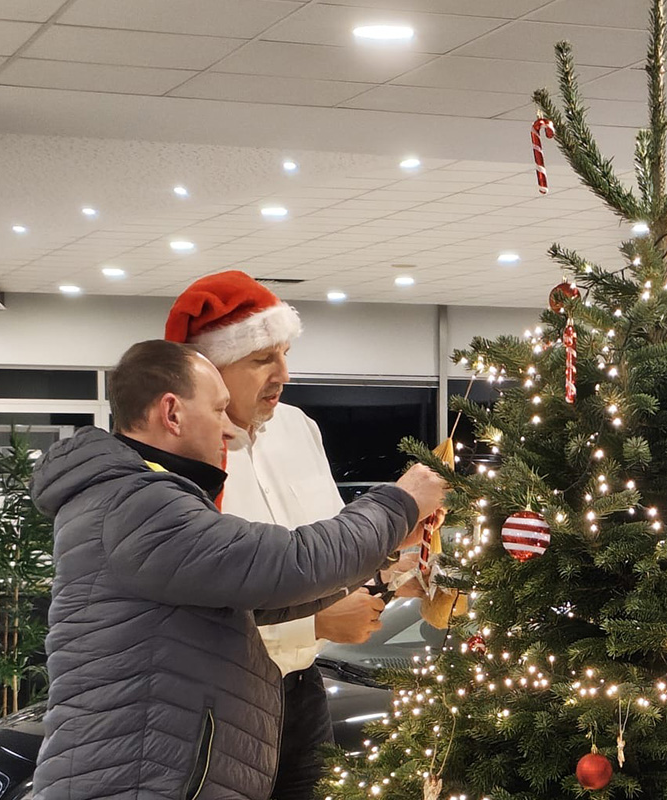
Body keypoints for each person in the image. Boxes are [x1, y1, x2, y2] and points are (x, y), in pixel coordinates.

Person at [31, 340, 447, 800]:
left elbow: (260, 597)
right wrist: (401, 501)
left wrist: (387, 551)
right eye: (218, 410)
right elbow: (292, 563)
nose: (229, 431)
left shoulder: (137, 499)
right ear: (172, 414)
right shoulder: (141, 506)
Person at [164, 270, 432, 799]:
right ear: (208, 369)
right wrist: (313, 624)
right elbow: (193, 612)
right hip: (220, 700)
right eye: (262, 358)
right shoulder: (179, 461)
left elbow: (331, 548)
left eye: (284, 352)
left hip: (304, 694)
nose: (283, 372)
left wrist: (399, 559)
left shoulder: (298, 427)